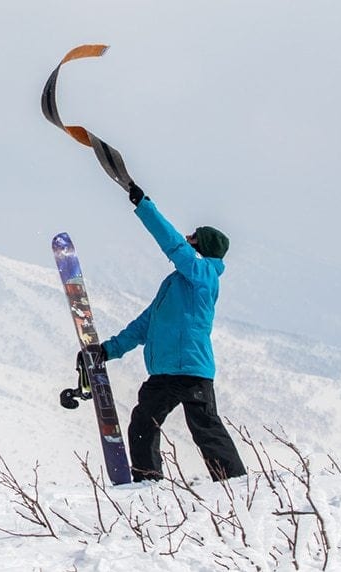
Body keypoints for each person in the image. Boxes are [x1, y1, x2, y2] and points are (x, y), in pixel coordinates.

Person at [97, 181, 246, 482]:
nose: (187, 239)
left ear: (200, 247)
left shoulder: (203, 274)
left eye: (193, 237)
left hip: (191, 370)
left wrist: (144, 206)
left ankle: (236, 483)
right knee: (142, 422)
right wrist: (108, 350)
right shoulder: (176, 283)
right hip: (164, 373)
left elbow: (173, 244)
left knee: (205, 428)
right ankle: (147, 481)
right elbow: (144, 325)